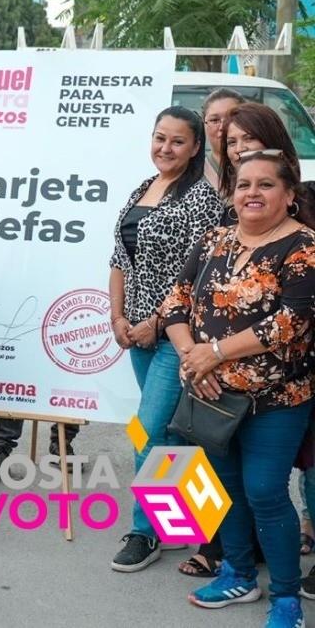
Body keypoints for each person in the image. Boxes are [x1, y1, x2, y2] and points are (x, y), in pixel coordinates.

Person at [161, 150, 315, 627]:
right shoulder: (215, 239)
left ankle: (286, 596)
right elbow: (175, 304)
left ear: (288, 195)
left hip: (276, 399)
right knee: (222, 489)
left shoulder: (304, 247)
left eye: (265, 184)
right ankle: (239, 575)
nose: (252, 192)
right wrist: (194, 356)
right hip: (210, 393)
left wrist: (217, 352)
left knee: (265, 490)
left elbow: (291, 322)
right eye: (244, 183)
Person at [107, 106, 222, 573]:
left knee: (146, 429)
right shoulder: (142, 188)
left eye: (177, 141)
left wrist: (156, 321)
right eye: (159, 138)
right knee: (170, 432)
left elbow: (198, 276)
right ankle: (191, 525)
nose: (165, 148)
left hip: (177, 336)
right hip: (134, 333)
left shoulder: (201, 200)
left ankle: (144, 531)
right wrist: (116, 315)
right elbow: (119, 257)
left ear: (196, 148)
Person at [202, 88, 245, 192]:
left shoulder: (267, 167)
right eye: (214, 120)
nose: (222, 127)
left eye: (231, 118)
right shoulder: (192, 174)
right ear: (204, 125)